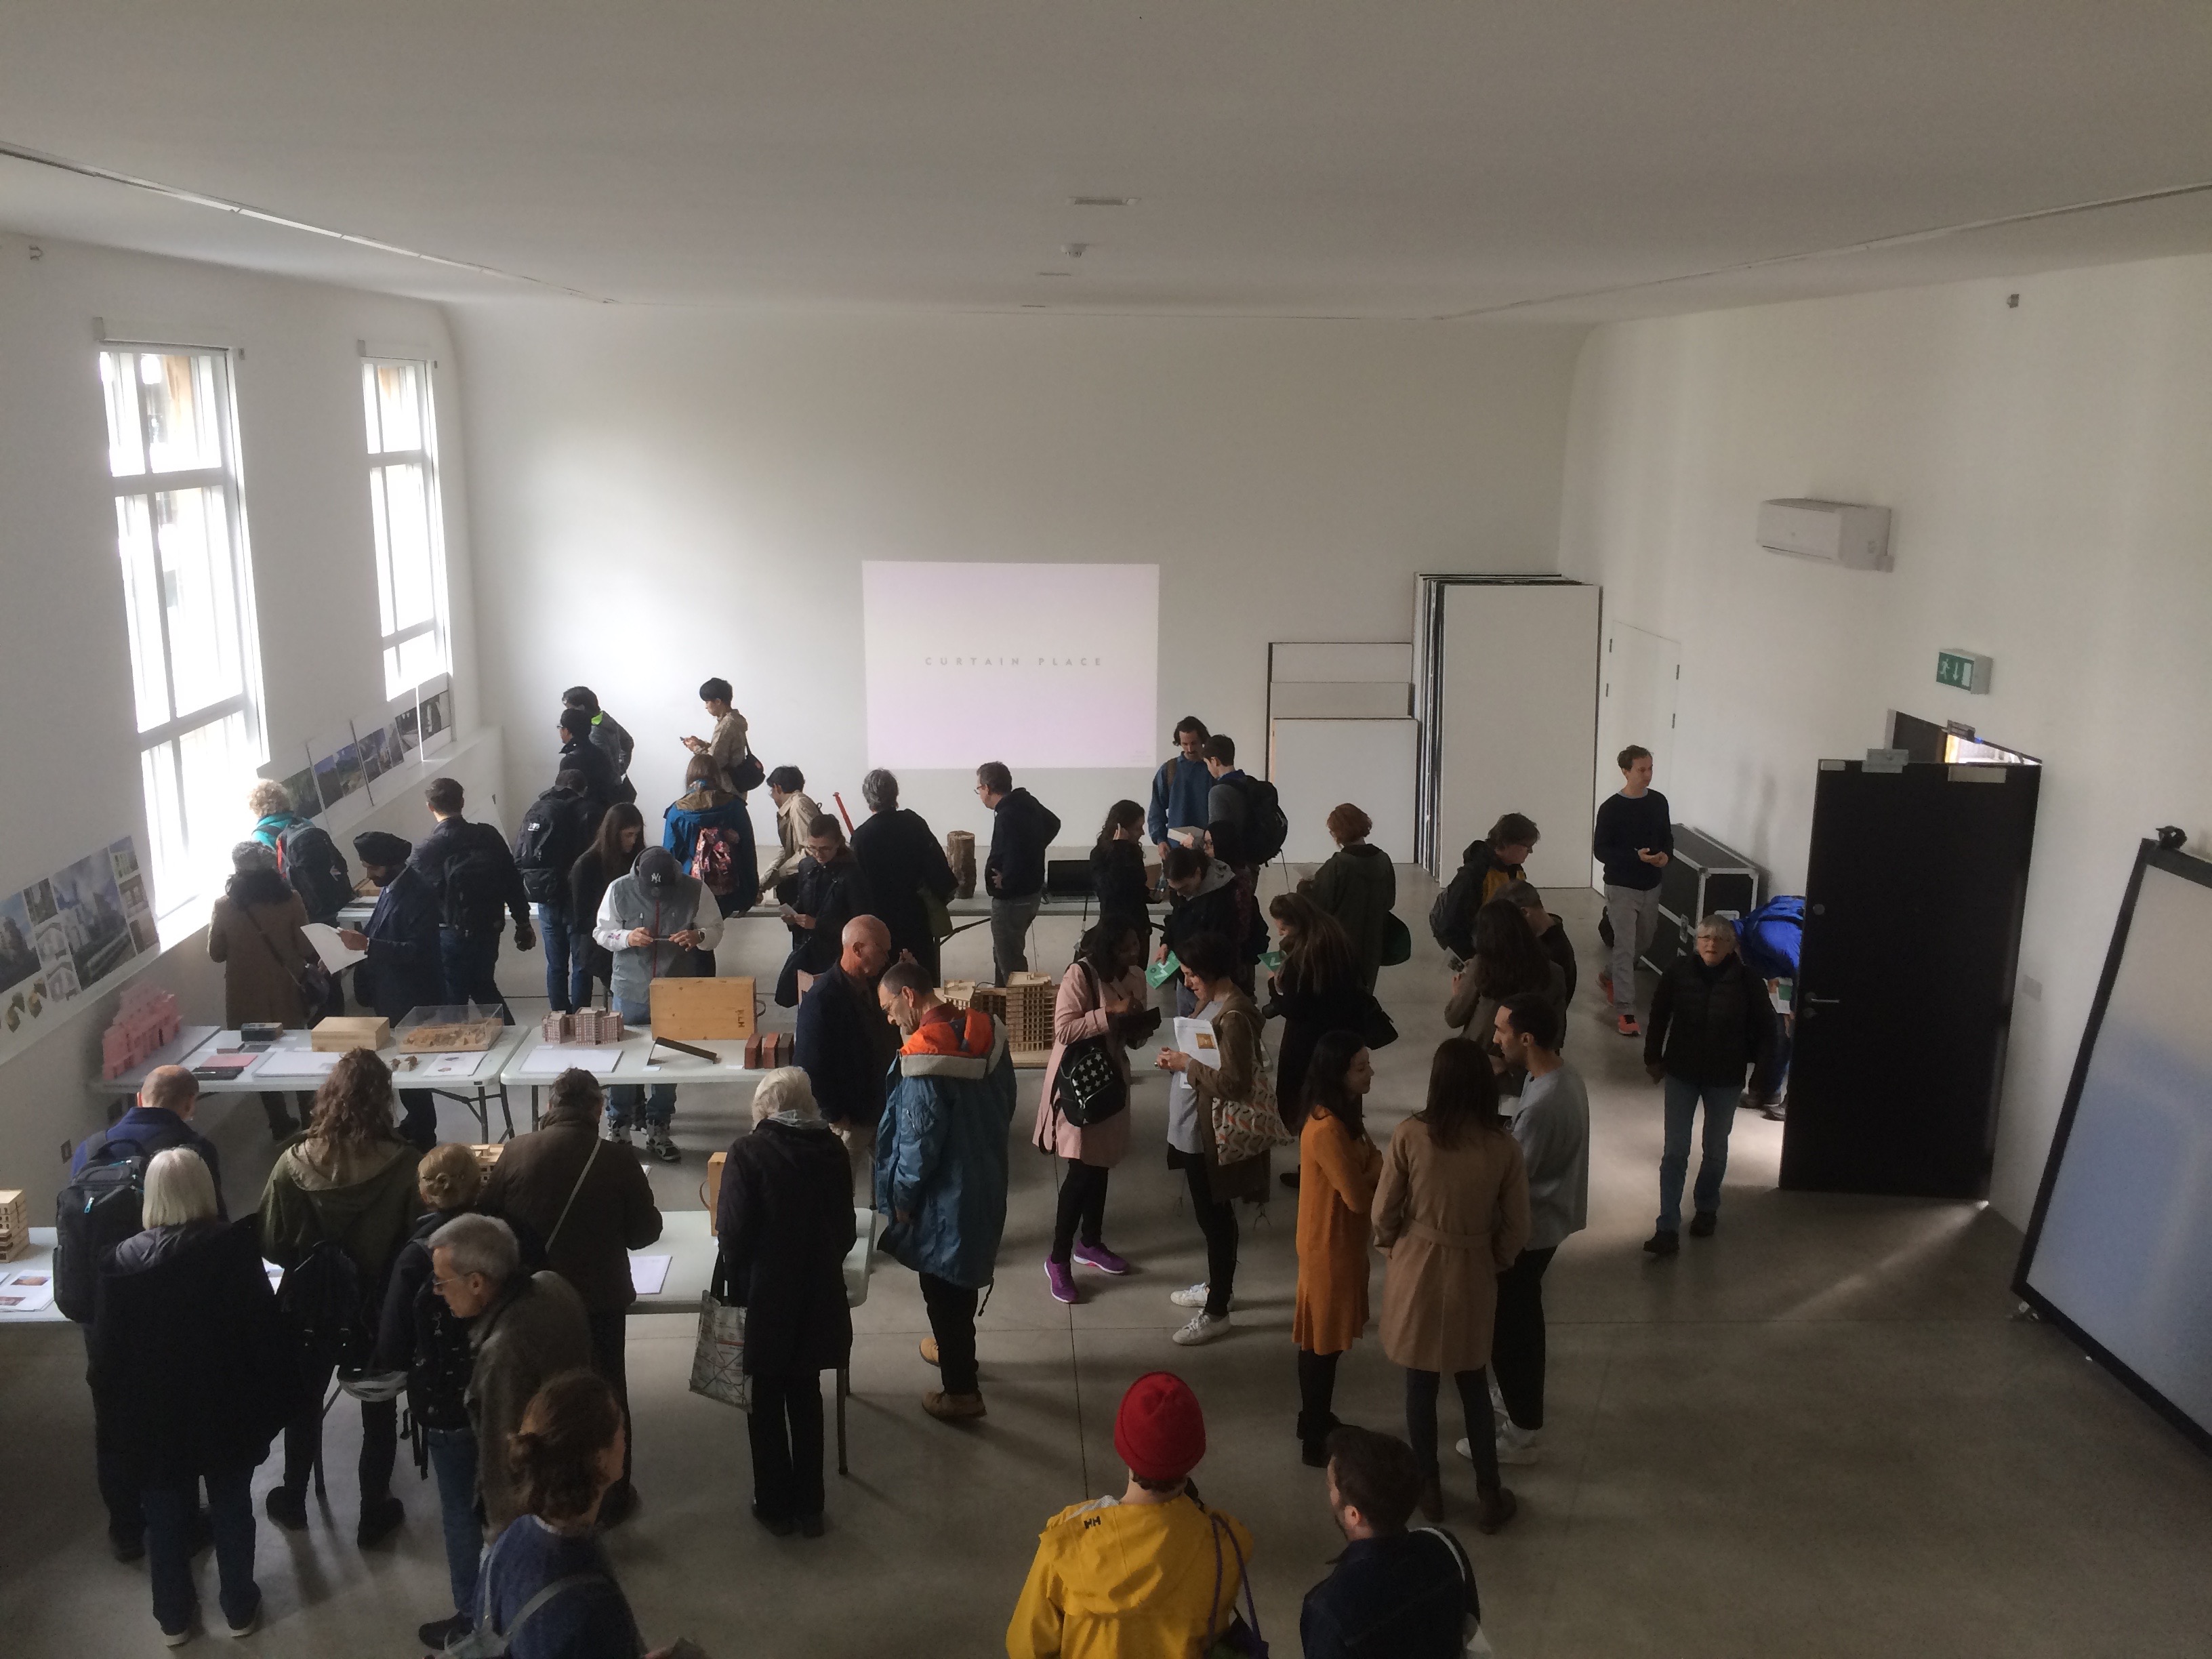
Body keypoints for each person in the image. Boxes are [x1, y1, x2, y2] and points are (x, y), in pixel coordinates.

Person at [89, 1149, 291, 1644]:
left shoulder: (118, 1264)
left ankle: (174, 1618)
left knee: (163, 1515)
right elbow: (263, 1333)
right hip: (225, 1408)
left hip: (155, 1417)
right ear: (206, 1189)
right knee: (232, 1507)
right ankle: (239, 1607)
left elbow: (107, 1355)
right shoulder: (234, 1251)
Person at [480, 1065, 663, 1522]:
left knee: (539, 1397)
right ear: (598, 1109)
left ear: (550, 1105)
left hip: (532, 1299)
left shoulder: (516, 1151)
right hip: (599, 1300)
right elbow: (645, 1233)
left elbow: (490, 1224)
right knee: (607, 1395)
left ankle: (545, 1495)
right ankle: (611, 1500)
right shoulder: (617, 1159)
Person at [258, 1048, 422, 1542]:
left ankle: (293, 1498)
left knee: (304, 1403)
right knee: (378, 1406)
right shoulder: (406, 1165)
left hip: (309, 1305)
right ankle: (374, 1508)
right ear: (384, 1100)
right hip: (376, 1305)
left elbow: (271, 1242)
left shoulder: (291, 1165)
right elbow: (418, 1241)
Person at [1372, 1038, 1531, 1532]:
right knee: (1473, 1382)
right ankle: (1489, 1492)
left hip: (1417, 1264)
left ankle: (1429, 1488)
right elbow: (1518, 1226)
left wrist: (1391, 1247)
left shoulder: (1411, 1135)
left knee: (1419, 1384)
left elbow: (1384, 1210)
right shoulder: (1503, 1147)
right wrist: (1494, 1258)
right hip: (1472, 1268)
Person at [76, 1068, 226, 1562]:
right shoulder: (193, 1151)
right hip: (169, 1306)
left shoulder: (90, 1149)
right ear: (189, 1104)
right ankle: (184, 1522)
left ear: (140, 1097)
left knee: (112, 1417)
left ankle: (125, 1528)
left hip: (103, 1305)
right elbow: (212, 1225)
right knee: (175, 1415)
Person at [373, 1145, 516, 1650]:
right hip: (507, 1391)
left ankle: (471, 1617)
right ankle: (516, 1602)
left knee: (459, 1510)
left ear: (423, 1192)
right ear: (479, 1181)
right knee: (511, 1499)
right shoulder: (505, 1235)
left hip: (446, 1405)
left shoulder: (418, 1255)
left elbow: (392, 1344)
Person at [1008, 1371, 1255, 1659]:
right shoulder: (1225, 1544)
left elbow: (1025, 1647)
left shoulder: (1067, 1540)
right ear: (1195, 1454)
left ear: (1123, 1445)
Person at [716, 1067, 855, 1538]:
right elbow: (845, 1231)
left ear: (764, 1108)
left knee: (765, 1400)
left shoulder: (747, 1152)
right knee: (807, 1394)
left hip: (766, 1298)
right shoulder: (834, 1150)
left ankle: (774, 1505)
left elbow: (733, 1234)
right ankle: (811, 1507)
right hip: (818, 1294)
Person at [875, 960, 1017, 1421]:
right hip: (985, 1177)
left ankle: (961, 1392)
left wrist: (901, 1200)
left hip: (942, 1197)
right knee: (961, 1273)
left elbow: (916, 1149)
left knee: (941, 1285)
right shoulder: (987, 1033)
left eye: (890, 1009)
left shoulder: (924, 1063)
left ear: (908, 996)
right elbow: (1008, 1102)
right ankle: (953, 1349)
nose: (890, 1020)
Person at [1467, 994, 1589, 1470]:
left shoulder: (1543, 1105)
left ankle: (1520, 1429)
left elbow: (1514, 1177)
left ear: (1527, 1038)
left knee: (1511, 1329)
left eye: (1502, 1030)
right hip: (1547, 1221)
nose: (1495, 1038)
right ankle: (1516, 1397)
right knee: (1523, 1317)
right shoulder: (1560, 1076)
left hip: (1530, 1230)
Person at [426, 1215, 592, 1541]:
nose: (438, 1292)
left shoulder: (503, 1352)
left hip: (538, 1519)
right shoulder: (553, 1285)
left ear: (476, 1283)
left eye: (442, 1282)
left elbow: (501, 1464)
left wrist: (502, 1543)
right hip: (579, 1484)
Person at [465, 1370, 650, 1658]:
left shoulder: (509, 1540)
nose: (625, 1435)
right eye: (620, 1425)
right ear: (600, 1460)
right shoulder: (594, 1606)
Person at [1155, 930, 1271, 1346]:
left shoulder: (1234, 1015)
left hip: (1208, 1134)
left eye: (1191, 974)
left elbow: (1236, 1084)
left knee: (1215, 1219)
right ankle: (1217, 1287)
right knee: (1210, 1217)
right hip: (1192, 1125)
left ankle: (1218, 1308)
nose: (1187, 983)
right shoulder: (1213, 1001)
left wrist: (1186, 1065)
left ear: (1210, 970)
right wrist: (1180, 1061)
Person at [1640, 914, 1778, 1256]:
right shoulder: (1678, 971)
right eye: (1705, 938)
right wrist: (1652, 1057)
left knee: (1715, 1150)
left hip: (1725, 1078)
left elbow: (1767, 1031)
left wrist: (1761, 1078)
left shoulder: (1748, 980)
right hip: (1682, 1073)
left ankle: (1706, 1207)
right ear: (1696, 941)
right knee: (1675, 1151)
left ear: (1732, 946)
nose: (1711, 945)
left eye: (1719, 939)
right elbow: (1659, 1014)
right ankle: (1667, 1226)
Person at [1035, 918, 1153, 1303]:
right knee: (1081, 1170)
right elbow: (1064, 1030)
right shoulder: (1080, 975)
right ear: (1107, 949)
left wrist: (1139, 1028)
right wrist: (1111, 1012)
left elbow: (1131, 1039)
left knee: (1101, 1163)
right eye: (1126, 947)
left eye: (1136, 945)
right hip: (1080, 1085)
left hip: (1111, 1080)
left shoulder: (1136, 976)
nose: (1134, 953)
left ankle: (1090, 1242)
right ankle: (1058, 1258)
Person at [1301, 1425, 1483, 1659]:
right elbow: (1469, 1630)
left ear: (1353, 1515)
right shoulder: (1445, 1547)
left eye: (1331, 1487)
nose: (1329, 1492)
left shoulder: (1328, 1609)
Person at [593, 846, 724, 1158]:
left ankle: (659, 1127)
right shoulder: (618, 889)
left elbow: (716, 929)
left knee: (669, 1059)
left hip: (675, 991)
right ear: (638, 875)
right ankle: (619, 1126)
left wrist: (699, 937)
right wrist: (626, 938)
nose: (657, 896)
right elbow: (601, 932)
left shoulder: (696, 890)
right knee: (624, 1059)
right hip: (630, 990)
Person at [1294, 1032, 1384, 1467]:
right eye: (1360, 1067)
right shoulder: (1328, 1128)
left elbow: (1376, 1161)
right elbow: (1359, 1197)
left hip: (1340, 1243)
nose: (1370, 1073)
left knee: (1322, 1340)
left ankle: (1313, 1417)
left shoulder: (1346, 1114)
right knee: (1322, 1345)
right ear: (1338, 1074)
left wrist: (1368, 1168)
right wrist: (1371, 1171)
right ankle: (1315, 1435)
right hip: (1328, 1248)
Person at [206, 839, 314, 1139]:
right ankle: (310, 1121)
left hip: (245, 997)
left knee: (258, 1057)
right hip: (286, 991)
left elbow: (216, 953)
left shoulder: (223, 906)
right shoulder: (291, 900)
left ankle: (279, 1122)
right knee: (298, 1054)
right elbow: (305, 946)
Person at [342, 830, 444, 1148]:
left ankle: (424, 1132)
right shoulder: (391, 887)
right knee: (400, 1064)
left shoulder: (419, 892)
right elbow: (378, 929)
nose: (370, 875)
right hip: (390, 990)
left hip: (413, 993)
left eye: (374, 868)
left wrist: (368, 945)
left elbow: (417, 950)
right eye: (366, 867)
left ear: (394, 864)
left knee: (412, 1064)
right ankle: (415, 1120)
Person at [411, 776, 535, 1021]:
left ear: (430, 807)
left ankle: (459, 1042)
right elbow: (511, 880)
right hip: (488, 928)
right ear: (462, 802)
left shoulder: (427, 850)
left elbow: (418, 899)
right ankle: (510, 1034)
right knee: (483, 984)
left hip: (449, 932)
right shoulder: (488, 836)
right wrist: (523, 922)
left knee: (454, 996)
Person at [795, 916, 900, 1185]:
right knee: (839, 1187)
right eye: (882, 950)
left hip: (881, 1109)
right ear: (857, 949)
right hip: (850, 1120)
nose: (886, 959)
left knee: (893, 1181)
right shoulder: (822, 1000)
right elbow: (808, 1066)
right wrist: (835, 1115)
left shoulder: (874, 986)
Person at [1267, 892, 1369, 1132]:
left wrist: (1274, 985)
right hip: (1343, 1031)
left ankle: (1312, 1145)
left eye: (1283, 929)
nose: (1281, 934)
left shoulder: (1303, 958)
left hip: (1308, 1039)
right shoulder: (1336, 936)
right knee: (1339, 1090)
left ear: (1297, 923)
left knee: (1306, 1095)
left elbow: (1292, 1007)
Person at [1594, 744, 1673, 1036]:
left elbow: (1667, 838)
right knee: (1625, 947)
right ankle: (1625, 1011)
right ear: (1626, 771)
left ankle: (1609, 975)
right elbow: (1601, 850)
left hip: (1651, 885)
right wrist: (1633, 856)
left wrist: (1665, 856)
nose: (1648, 774)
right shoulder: (1611, 808)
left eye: (1650, 768)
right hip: (1621, 886)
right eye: (1642, 769)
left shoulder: (1659, 802)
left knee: (1644, 941)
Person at [848, 769, 957, 981]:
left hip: (880, 924)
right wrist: (942, 895)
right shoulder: (913, 823)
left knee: (887, 981)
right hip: (916, 917)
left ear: (867, 799)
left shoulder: (861, 837)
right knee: (921, 977)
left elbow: (858, 888)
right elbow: (937, 867)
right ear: (895, 794)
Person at [1443, 898, 1567, 1080]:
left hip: (1481, 1061)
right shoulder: (1555, 972)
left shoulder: (1482, 966)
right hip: (1531, 1066)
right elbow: (1557, 1033)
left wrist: (1458, 994)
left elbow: (1454, 1018)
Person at [514, 770, 602, 1015]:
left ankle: (558, 1019)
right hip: (579, 899)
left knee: (556, 965)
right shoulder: (589, 811)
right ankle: (581, 1020)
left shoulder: (538, 809)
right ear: (583, 789)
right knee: (581, 965)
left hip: (546, 896)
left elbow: (520, 854)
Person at [976, 761, 1061, 984]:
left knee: (1011, 964)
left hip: (1012, 900)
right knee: (1004, 955)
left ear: (987, 788)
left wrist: (1008, 880)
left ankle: (1019, 1005)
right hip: (1031, 895)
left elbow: (1014, 850)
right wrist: (1034, 851)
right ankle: (1003, 1001)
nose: (980, 794)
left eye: (979, 789)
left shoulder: (1007, 814)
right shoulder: (1025, 802)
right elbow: (1054, 823)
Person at [775, 815, 871, 1008]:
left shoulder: (852, 874)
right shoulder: (807, 866)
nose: (818, 854)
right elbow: (804, 901)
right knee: (808, 1005)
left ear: (838, 843)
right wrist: (793, 915)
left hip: (838, 955)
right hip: (810, 950)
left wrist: (818, 925)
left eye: (825, 848)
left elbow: (861, 924)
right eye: (812, 848)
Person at [663, 752, 760, 933]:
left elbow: (670, 856)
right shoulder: (735, 807)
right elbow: (748, 852)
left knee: (694, 937)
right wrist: (749, 895)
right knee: (715, 934)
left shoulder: (676, 811)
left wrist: (668, 897)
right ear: (717, 776)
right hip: (728, 889)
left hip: (690, 889)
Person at [1305, 802, 1397, 993]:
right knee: (1365, 993)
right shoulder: (1384, 860)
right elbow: (1389, 901)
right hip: (1373, 942)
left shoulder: (1337, 866)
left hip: (1340, 943)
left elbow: (1319, 907)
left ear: (1337, 833)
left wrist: (1305, 887)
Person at [1158, 842, 1263, 1000]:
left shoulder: (1224, 897)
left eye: (1184, 888)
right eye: (1174, 890)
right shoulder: (1184, 888)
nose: (1179, 895)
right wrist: (1166, 942)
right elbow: (1177, 917)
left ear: (1197, 873)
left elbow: (1220, 944)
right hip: (1188, 970)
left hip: (1208, 978)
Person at [1430, 813, 1539, 963]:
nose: (1530, 852)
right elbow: (1449, 927)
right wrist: (1473, 961)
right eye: (1527, 846)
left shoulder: (1514, 869)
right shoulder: (1474, 875)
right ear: (1506, 842)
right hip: (1475, 946)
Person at [569, 802, 644, 1008]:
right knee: (630, 998)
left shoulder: (638, 860)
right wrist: (619, 931)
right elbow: (582, 920)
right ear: (613, 833)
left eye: (637, 835)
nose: (633, 841)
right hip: (600, 944)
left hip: (632, 940)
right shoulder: (586, 865)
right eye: (628, 835)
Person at [1500, 878, 1578, 1009]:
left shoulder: (1554, 954)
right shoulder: (1539, 940)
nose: (1510, 928)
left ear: (1525, 912)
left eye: (1511, 920)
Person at [1089, 799, 1154, 954]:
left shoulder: (1133, 851)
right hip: (1115, 931)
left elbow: (1135, 886)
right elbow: (1109, 889)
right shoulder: (1099, 854)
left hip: (1139, 926)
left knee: (1138, 968)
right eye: (1138, 828)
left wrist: (1151, 895)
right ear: (1121, 829)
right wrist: (1119, 849)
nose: (1143, 833)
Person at [1146, 716, 1214, 848]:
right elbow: (1156, 810)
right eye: (1185, 744)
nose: (1190, 749)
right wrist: (1160, 840)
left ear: (1203, 740)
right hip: (1176, 848)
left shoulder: (1212, 769)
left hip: (1208, 848)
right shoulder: (1169, 770)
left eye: (1194, 743)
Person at [562, 684, 636, 804]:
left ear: (581, 709)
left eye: (569, 709)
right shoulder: (605, 719)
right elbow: (628, 742)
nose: (567, 713)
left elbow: (603, 769)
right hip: (614, 787)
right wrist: (619, 769)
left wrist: (618, 770)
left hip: (601, 797)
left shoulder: (593, 731)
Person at [682, 674, 752, 796]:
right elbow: (722, 751)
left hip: (726, 791)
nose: (706, 707)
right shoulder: (735, 719)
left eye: (707, 702)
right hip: (735, 789)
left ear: (718, 701)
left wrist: (695, 748)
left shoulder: (727, 725)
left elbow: (713, 763)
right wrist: (701, 744)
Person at [760, 766, 821, 901]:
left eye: (771, 792)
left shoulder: (799, 806)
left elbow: (811, 850)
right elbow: (787, 852)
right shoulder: (795, 805)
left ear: (777, 788)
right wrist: (764, 883)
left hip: (813, 878)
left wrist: (780, 874)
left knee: (786, 890)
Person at [554, 705, 622, 809]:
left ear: (567, 731)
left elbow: (564, 797)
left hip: (581, 814)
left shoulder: (569, 761)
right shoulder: (600, 753)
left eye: (560, 727)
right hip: (602, 810)